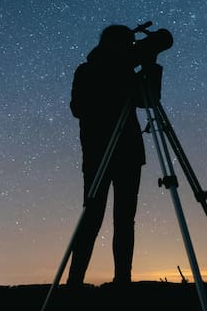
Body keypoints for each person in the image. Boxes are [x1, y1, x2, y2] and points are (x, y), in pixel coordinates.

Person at [67, 24, 163, 287]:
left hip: (128, 154)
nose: (129, 49)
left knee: (124, 220)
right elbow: (78, 108)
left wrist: (150, 65)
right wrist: (112, 80)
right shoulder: (87, 70)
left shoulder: (127, 72)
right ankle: (74, 280)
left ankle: (123, 280)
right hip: (99, 153)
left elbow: (149, 101)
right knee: (92, 216)